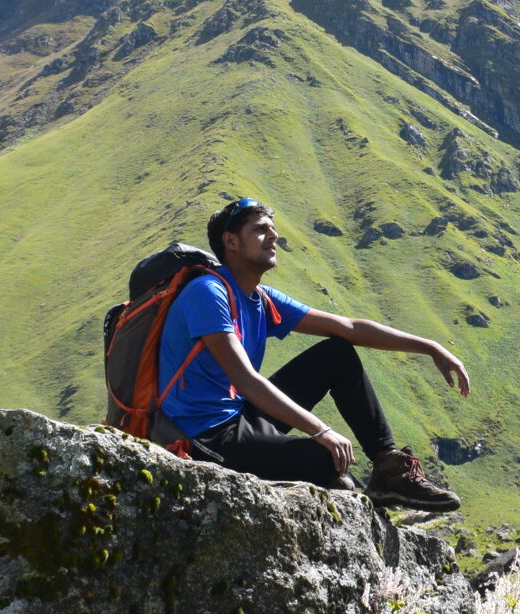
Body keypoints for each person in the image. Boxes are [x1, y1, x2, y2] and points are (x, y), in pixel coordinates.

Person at [155, 196, 467, 509]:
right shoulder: (208, 293)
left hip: (240, 416)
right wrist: (321, 429)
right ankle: (329, 480)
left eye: (273, 228)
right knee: (328, 458)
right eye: (261, 230)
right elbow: (246, 380)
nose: (274, 236)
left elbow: (348, 328)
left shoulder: (258, 297)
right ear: (230, 241)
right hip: (204, 435)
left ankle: (388, 471)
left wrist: (430, 347)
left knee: (337, 353)